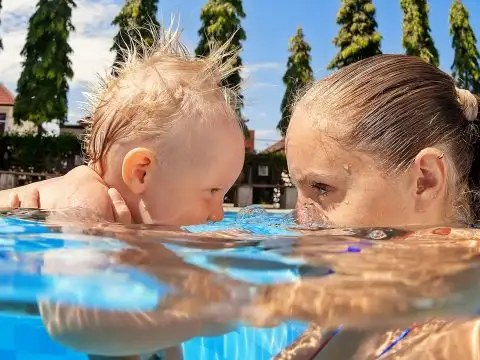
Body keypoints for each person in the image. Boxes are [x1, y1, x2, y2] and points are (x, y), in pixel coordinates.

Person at [6, 54, 480, 359]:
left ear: (424, 180)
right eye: (301, 191)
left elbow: (82, 321)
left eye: (323, 187)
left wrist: (254, 301)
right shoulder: (341, 317)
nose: (301, 220)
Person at [0, 25, 244, 227]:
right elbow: (75, 274)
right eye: (212, 192)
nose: (218, 215)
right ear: (141, 172)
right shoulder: (91, 202)